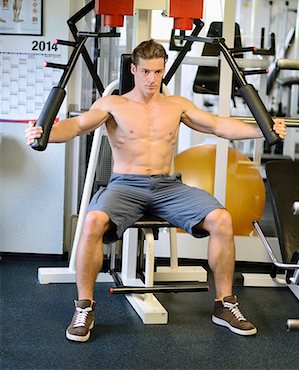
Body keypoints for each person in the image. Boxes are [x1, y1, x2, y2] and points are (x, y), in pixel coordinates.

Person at [25, 39, 286, 342]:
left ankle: (224, 304)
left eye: (158, 72)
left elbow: (217, 125)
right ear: (133, 69)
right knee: (93, 221)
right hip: (125, 184)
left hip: (166, 186)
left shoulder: (176, 106)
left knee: (222, 219)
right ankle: (84, 308)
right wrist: (45, 132)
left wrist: (262, 129)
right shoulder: (114, 104)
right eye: (146, 71)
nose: (151, 79)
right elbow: (77, 125)